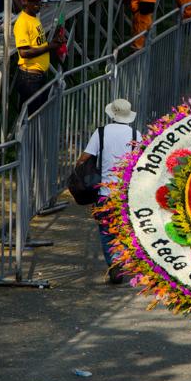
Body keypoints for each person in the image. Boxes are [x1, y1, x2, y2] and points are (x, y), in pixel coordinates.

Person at [76, 99, 142, 282]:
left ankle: (113, 264)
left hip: (104, 192)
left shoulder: (101, 132)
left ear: (112, 113)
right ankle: (120, 260)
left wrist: (80, 169)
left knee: (106, 230)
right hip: (125, 194)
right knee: (124, 230)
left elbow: (85, 158)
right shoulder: (136, 134)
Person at [13, 0, 59, 112]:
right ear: (24, 1)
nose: (37, 4)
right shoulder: (23, 22)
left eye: (39, 1)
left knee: (39, 115)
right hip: (30, 78)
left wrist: (52, 43)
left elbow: (38, 44)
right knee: (31, 118)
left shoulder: (34, 19)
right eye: (33, 1)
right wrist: (49, 47)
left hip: (38, 75)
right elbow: (24, 52)